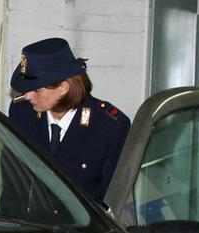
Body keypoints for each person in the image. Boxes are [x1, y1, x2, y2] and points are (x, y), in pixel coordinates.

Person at [7, 37, 130, 201]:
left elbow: (112, 198)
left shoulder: (108, 126)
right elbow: (12, 183)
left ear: (63, 88)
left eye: (36, 90)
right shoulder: (22, 113)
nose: (28, 96)